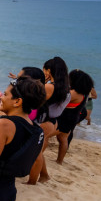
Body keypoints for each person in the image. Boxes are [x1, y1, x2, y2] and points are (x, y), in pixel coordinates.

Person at [28, 56, 70, 184]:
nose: (43, 72)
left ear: (50, 70)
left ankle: (33, 180)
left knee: (36, 152)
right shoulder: (66, 89)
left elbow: (36, 101)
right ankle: (44, 175)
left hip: (43, 121)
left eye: (45, 69)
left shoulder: (50, 86)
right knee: (38, 151)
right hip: (53, 121)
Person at [52, 69, 94, 164]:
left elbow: (58, 98)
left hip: (65, 119)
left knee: (48, 135)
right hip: (71, 118)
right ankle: (59, 161)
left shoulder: (74, 93)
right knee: (63, 139)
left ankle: (58, 160)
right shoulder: (83, 92)